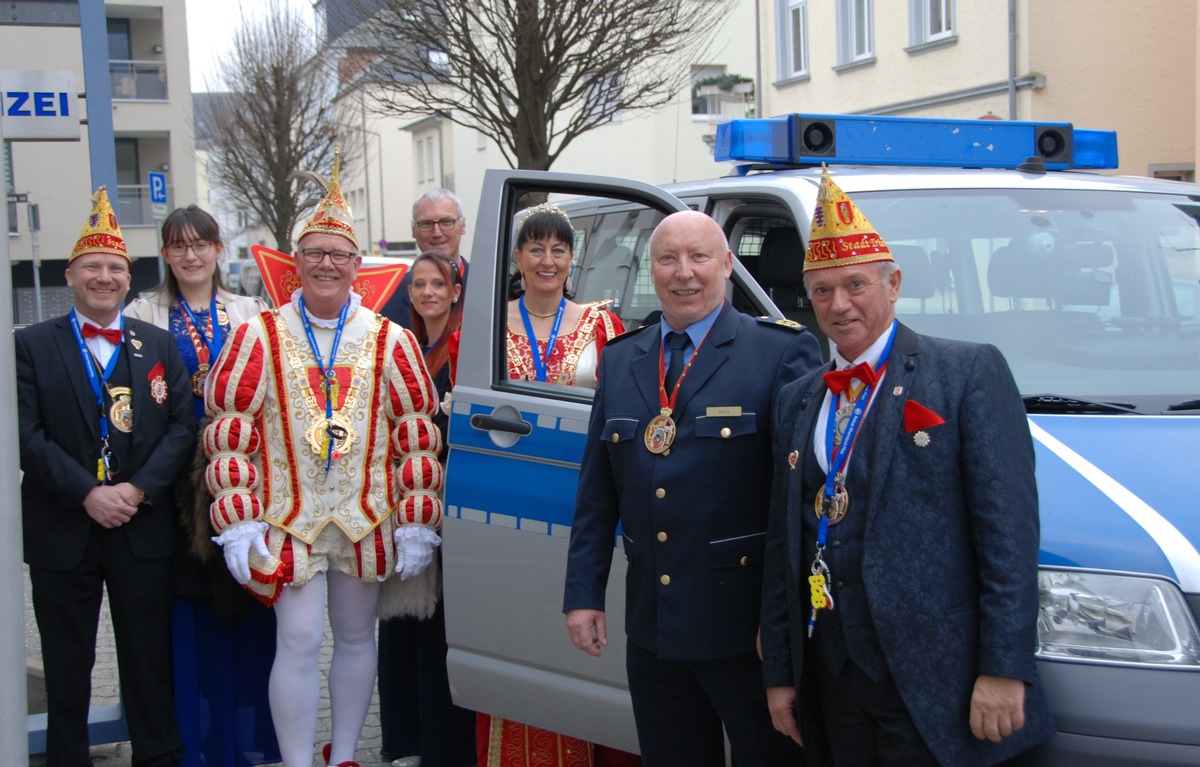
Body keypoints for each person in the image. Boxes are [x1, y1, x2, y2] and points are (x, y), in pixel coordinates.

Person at [760, 169, 1055, 767]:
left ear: (893, 284)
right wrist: (781, 671)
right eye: (822, 291)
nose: (839, 305)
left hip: (937, 677)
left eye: (856, 285)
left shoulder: (965, 374)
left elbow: (1008, 537)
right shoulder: (797, 397)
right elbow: (781, 545)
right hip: (832, 673)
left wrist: (1004, 669)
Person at [202, 154, 445, 767]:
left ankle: (342, 759)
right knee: (301, 637)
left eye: (338, 254)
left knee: (359, 638)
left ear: (356, 267)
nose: (327, 264)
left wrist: (417, 515)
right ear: (295, 263)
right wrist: (237, 516)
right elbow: (231, 428)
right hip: (288, 515)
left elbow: (415, 430)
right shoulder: (258, 334)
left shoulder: (392, 340)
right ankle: (295, 760)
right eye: (314, 253)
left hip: (366, 516)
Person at [564, 210, 821, 767]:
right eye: (667, 259)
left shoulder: (779, 352)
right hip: (654, 627)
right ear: (650, 271)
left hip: (743, 630)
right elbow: (597, 490)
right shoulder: (621, 358)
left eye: (700, 257)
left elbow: (795, 501)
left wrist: (782, 625)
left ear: (727, 265)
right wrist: (584, 592)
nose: (685, 273)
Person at [17, 186, 196, 767]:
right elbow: (24, 436)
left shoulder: (161, 345)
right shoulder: (29, 347)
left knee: (148, 657)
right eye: (92, 267)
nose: (104, 277)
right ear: (71, 275)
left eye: (115, 268)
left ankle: (158, 756)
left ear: (128, 277)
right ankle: (68, 758)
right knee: (68, 662)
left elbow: (180, 430)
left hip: (141, 529)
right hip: (62, 529)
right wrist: (87, 494)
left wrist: (136, 490)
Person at [125, 204, 278, 767]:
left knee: (248, 597)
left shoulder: (250, 310)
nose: (191, 255)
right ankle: (201, 740)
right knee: (191, 609)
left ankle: (253, 739)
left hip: (244, 476)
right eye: (179, 246)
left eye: (201, 244)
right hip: (176, 483)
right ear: (165, 254)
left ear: (218, 249)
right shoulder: (142, 311)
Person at [481, 203, 634, 767]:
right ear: (517, 257)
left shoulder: (604, 325)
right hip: (511, 503)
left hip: (588, 500)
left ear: (574, 259)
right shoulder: (489, 324)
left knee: (591, 625)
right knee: (520, 630)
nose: (548, 260)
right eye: (536, 248)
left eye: (559, 249)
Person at [376, 249, 476, 767]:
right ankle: (405, 739)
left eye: (439, 283)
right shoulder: (400, 347)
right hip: (404, 501)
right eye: (418, 284)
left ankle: (442, 746)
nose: (429, 292)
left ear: (457, 290)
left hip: (453, 502)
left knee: (441, 627)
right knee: (401, 624)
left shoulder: (468, 349)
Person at [379, 189, 470, 330]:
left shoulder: (492, 287)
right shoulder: (389, 295)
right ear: (413, 230)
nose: (437, 233)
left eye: (446, 222)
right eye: (426, 224)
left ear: (463, 226)